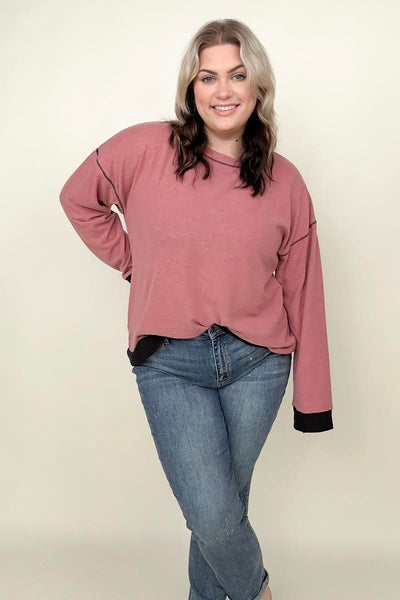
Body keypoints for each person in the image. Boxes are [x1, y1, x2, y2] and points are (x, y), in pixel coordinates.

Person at [59, 18, 333, 600]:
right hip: (169, 362)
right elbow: (78, 198)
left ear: (258, 87)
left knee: (224, 510)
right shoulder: (144, 149)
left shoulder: (285, 182)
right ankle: (257, 593)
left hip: (258, 364)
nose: (223, 90)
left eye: (237, 75)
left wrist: (312, 400)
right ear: (191, 87)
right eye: (208, 77)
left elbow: (304, 291)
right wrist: (135, 264)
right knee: (212, 515)